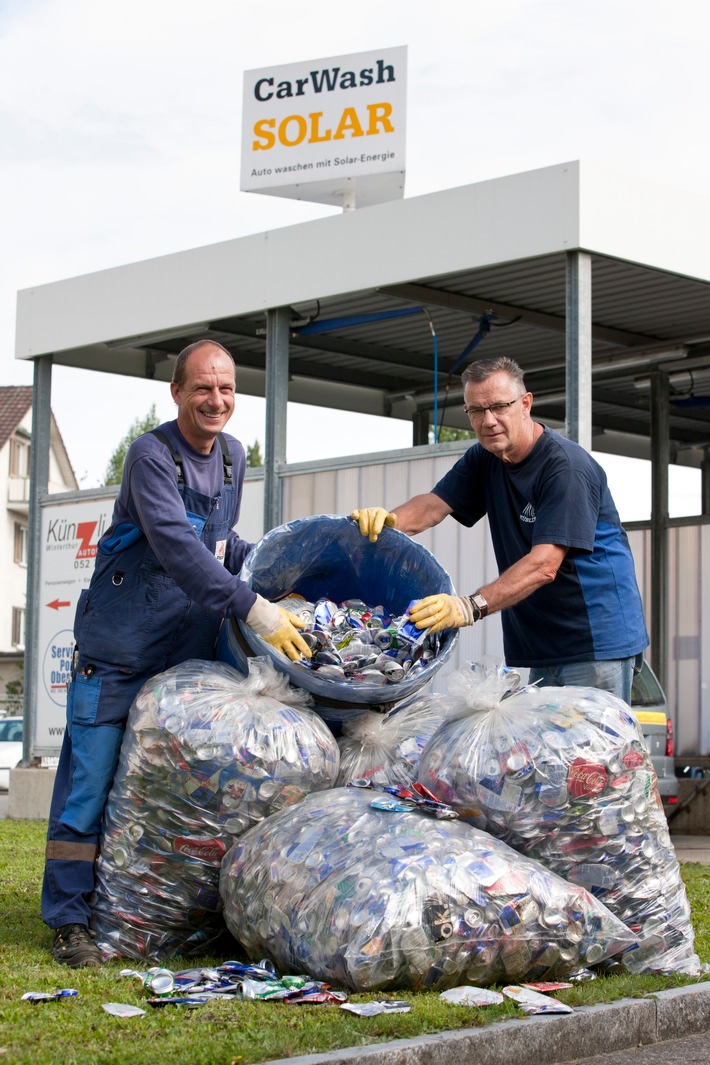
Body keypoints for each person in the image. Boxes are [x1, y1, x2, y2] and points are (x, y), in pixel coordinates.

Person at [43, 339, 310, 968]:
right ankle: (70, 922)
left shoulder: (233, 457)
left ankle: (154, 912)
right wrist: (253, 608)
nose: (215, 401)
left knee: (175, 788)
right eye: (202, 389)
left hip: (187, 655)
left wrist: (287, 570)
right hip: (120, 649)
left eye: (225, 389)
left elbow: (218, 545)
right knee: (89, 787)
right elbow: (175, 545)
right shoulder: (151, 456)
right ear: (177, 393)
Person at [353, 355, 648, 701]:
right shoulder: (485, 458)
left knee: (592, 753)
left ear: (525, 404)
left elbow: (544, 565)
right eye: (476, 410)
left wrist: (469, 606)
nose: (488, 421)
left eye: (498, 407)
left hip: (595, 641)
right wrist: (386, 524)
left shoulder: (565, 468)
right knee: (550, 753)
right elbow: (434, 506)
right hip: (543, 641)